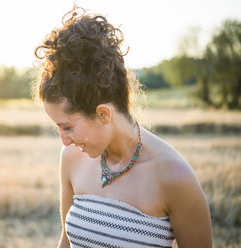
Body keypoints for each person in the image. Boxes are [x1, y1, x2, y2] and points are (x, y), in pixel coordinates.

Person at [33, 6, 212, 248]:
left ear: (103, 114)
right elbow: (66, 241)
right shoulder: (72, 159)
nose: (64, 141)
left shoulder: (175, 176)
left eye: (67, 128)